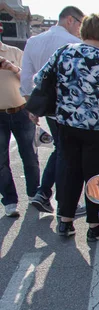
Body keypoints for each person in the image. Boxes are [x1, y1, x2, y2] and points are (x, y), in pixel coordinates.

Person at [34, 13, 99, 240]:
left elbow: (40, 79)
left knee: (68, 170)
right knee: (95, 174)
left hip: (67, 122)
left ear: (84, 29)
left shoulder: (64, 52)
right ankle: (94, 225)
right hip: (97, 127)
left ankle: (65, 221)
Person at [19, 6, 85, 216]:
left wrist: (32, 107)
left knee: (62, 149)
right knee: (66, 152)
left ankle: (47, 194)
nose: (79, 29)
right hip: (68, 107)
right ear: (69, 20)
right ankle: (51, 195)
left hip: (46, 106)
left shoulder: (33, 41)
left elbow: (27, 77)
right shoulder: (73, 44)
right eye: (79, 24)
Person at [0, 39, 40, 217]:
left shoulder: (14, 52)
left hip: (21, 110)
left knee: (30, 156)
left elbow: (30, 79)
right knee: (1, 161)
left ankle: (34, 194)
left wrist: (13, 68)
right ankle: (9, 201)